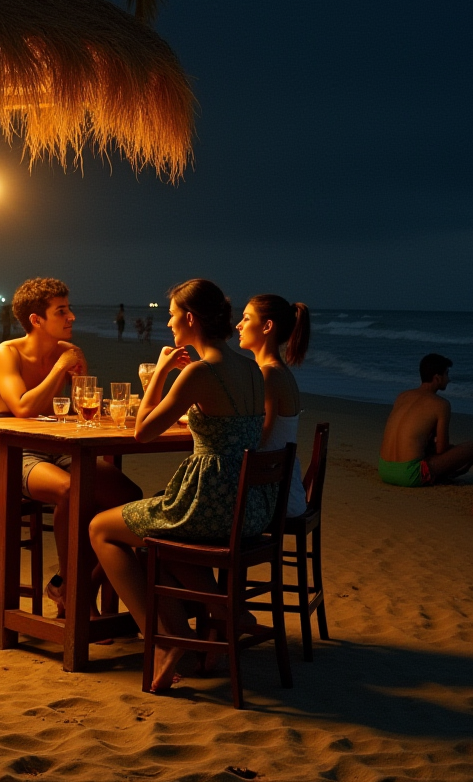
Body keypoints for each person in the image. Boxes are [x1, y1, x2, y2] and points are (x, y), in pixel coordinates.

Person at [89, 279, 269, 690]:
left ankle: (166, 640)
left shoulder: (199, 372)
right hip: (250, 505)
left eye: (171, 314)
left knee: (100, 528)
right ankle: (221, 616)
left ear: (190, 318)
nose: (168, 322)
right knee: (157, 529)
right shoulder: (251, 369)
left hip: (210, 503)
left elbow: (142, 432)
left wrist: (163, 371)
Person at [0, 278, 141, 614]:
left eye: (69, 309)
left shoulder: (67, 351)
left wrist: (82, 389)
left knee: (128, 497)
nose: (71, 317)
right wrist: (60, 367)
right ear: (36, 320)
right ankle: (77, 598)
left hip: (57, 447)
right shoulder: (6, 353)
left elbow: (80, 407)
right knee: (73, 490)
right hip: (12, 453)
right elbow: (23, 408)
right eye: (61, 311)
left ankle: (71, 585)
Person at [236, 295, 312, 518]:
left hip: (275, 495)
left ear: (267, 326)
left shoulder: (269, 374)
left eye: (247, 318)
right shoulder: (276, 371)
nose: (238, 325)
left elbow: (259, 439)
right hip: (280, 486)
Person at [378, 353, 473, 487]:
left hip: (384, 469)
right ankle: (448, 475)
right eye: (446, 374)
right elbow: (441, 450)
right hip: (409, 475)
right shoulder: (441, 404)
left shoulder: (402, 396)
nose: (448, 379)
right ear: (437, 378)